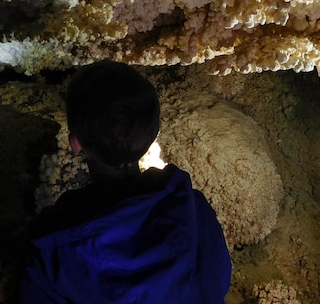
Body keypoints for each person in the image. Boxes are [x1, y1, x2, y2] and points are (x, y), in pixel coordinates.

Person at [20, 60, 232, 303]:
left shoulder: (52, 248)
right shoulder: (193, 209)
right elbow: (217, 280)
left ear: (75, 143)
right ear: (152, 136)